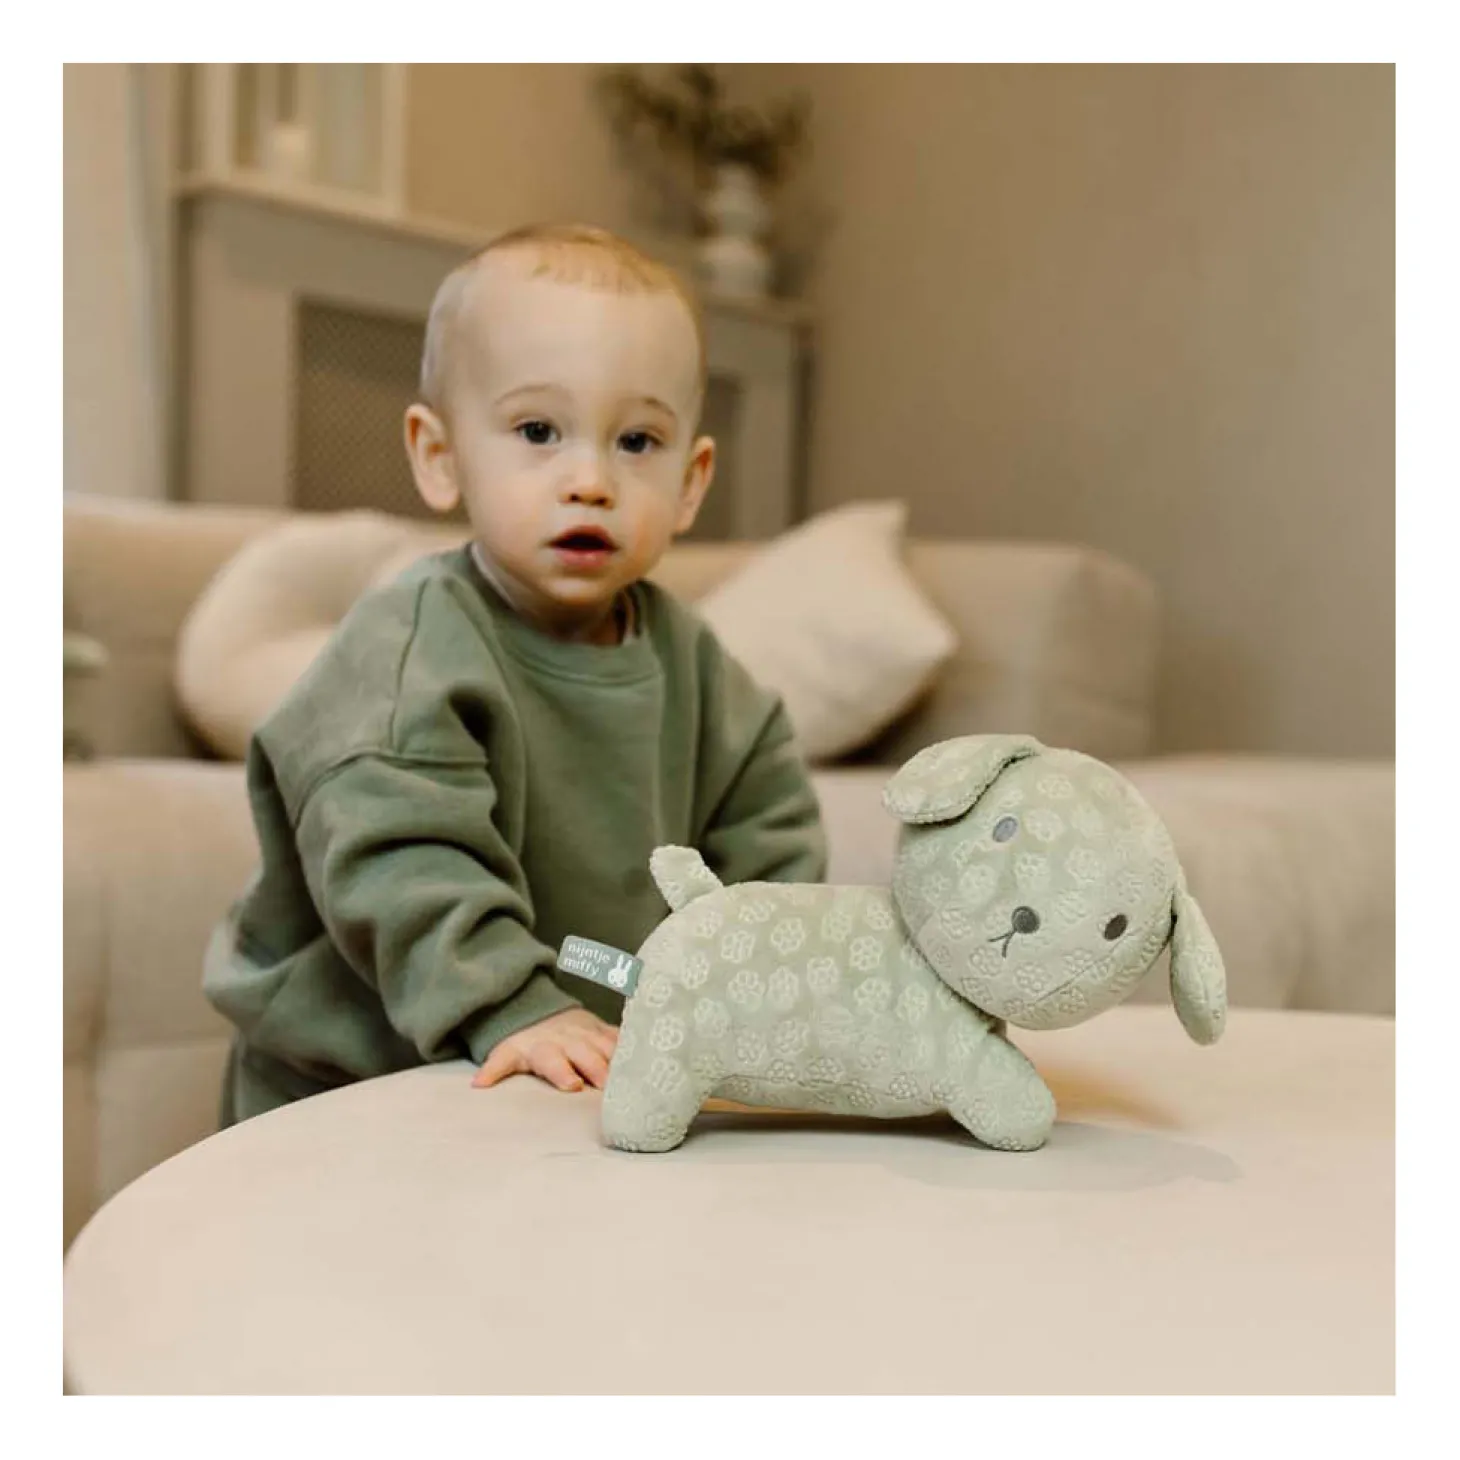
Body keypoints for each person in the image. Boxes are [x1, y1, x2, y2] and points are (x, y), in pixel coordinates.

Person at [203, 222, 827, 1124]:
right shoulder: (409, 651)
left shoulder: (698, 668)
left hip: (565, 1060)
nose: (590, 480)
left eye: (637, 441)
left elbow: (768, 845)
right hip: (352, 1087)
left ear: (691, 483)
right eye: (539, 430)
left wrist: (765, 991)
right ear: (440, 456)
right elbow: (401, 863)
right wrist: (512, 1002)